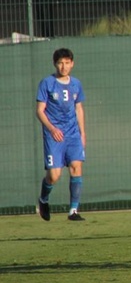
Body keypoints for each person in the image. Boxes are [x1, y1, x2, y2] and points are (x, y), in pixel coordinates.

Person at [36, 48, 87, 222]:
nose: (63, 66)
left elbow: (79, 108)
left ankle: (73, 211)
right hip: (54, 135)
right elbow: (40, 111)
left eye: (66, 62)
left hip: (72, 133)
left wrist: (82, 133)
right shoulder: (47, 83)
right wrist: (52, 129)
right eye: (60, 63)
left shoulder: (76, 84)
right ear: (55, 64)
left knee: (76, 168)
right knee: (54, 176)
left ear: (72, 63)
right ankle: (43, 199)